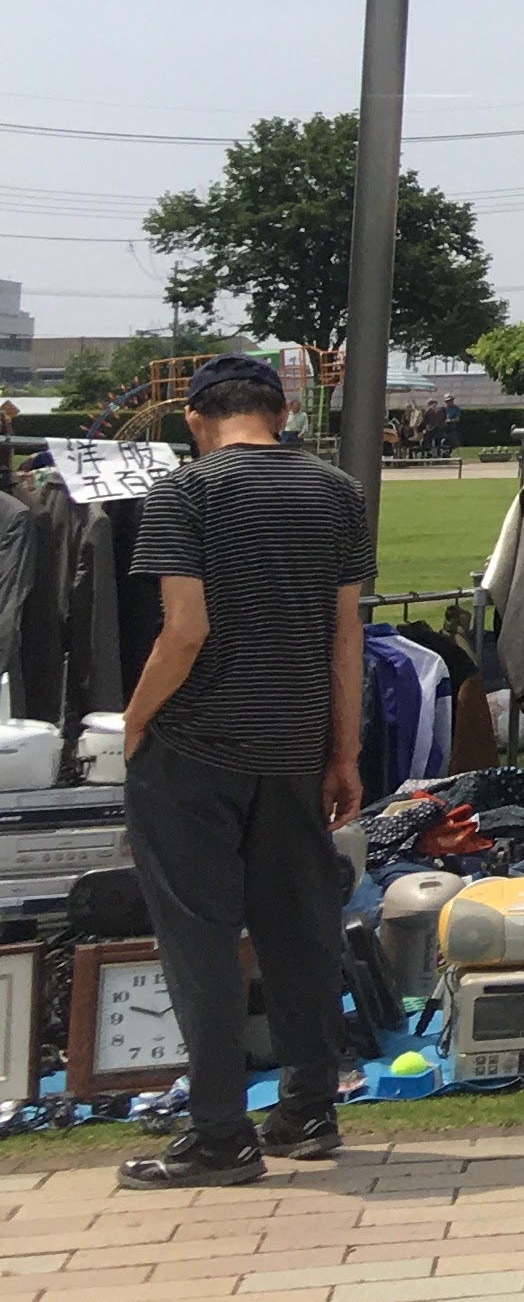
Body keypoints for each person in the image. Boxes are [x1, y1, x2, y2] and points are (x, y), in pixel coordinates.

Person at [113, 356, 374, 1185]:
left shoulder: (185, 494)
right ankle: (308, 1106)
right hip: (295, 744)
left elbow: (184, 630)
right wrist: (343, 751)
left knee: (199, 938)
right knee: (297, 926)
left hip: (195, 748)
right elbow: (345, 636)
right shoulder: (337, 492)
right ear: (282, 408)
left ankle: (219, 1130)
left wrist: (136, 717)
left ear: (194, 419)